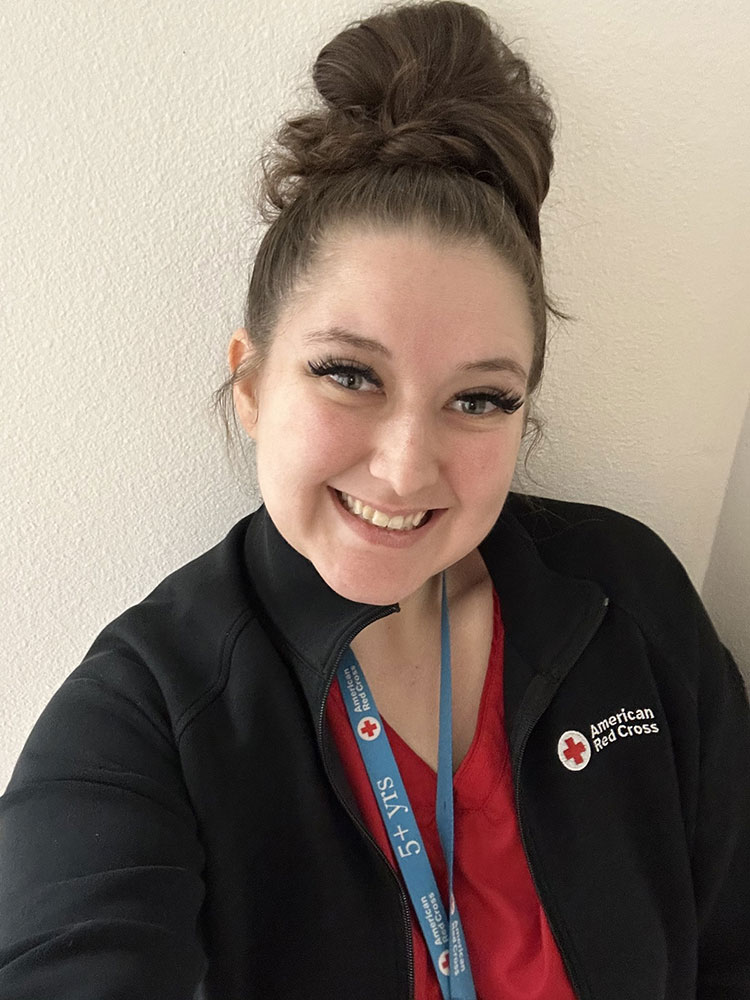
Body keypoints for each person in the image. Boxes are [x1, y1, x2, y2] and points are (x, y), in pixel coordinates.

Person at [1, 1, 748, 997]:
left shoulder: (631, 600)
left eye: (479, 398)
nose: (404, 467)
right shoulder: (148, 713)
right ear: (255, 384)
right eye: (350, 375)